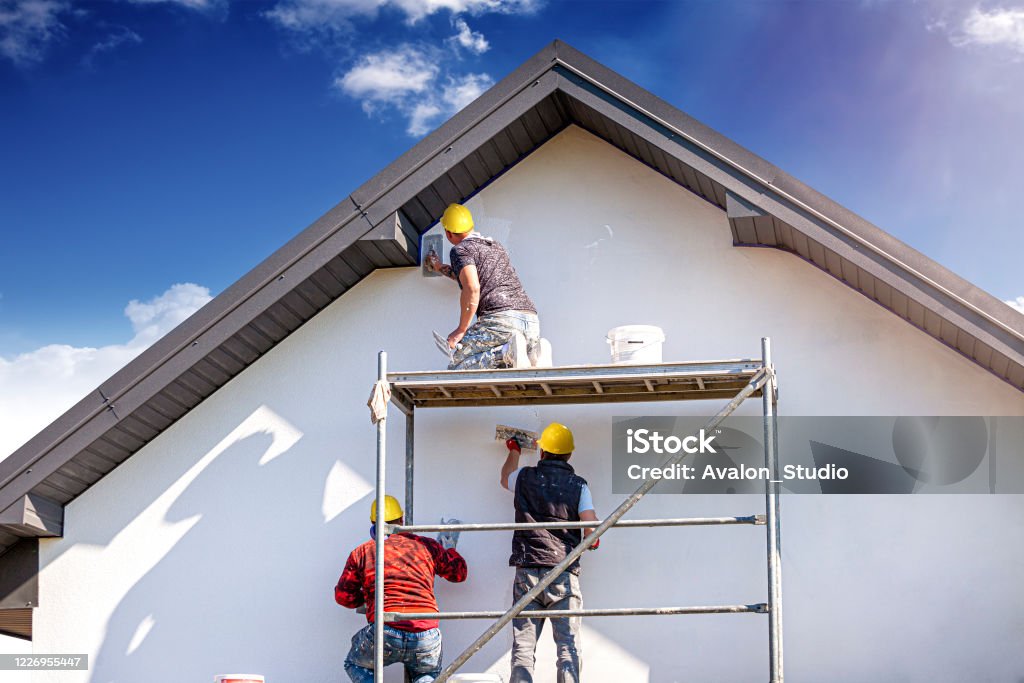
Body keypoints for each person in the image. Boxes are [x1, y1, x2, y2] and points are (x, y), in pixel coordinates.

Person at [499, 423, 599, 683]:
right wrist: (591, 539)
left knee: (523, 647)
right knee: (568, 648)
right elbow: (591, 526)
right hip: (563, 573)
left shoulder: (524, 477)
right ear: (569, 455)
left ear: (542, 452)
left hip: (528, 572)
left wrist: (514, 451)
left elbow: (505, 477)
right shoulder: (578, 486)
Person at [335, 495, 468, 683]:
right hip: (426, 633)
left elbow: (344, 597)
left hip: (386, 630)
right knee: (425, 675)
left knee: (355, 663)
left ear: (373, 524)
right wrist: (449, 549)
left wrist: (368, 598)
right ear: (402, 520)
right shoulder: (427, 546)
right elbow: (459, 574)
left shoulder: (363, 552)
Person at [425, 202, 540, 370]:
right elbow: (468, 276)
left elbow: (471, 287)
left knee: (457, 360)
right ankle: (535, 353)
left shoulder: (460, 250)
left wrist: (461, 329)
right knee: (508, 364)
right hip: (531, 321)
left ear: (449, 233)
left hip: (501, 320)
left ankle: (507, 353)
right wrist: (439, 267)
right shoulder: (495, 246)